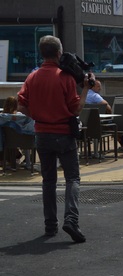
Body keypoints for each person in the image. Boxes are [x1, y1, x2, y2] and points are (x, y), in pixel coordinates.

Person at [17, 35, 90, 242]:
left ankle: (50, 225)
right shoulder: (65, 77)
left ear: (42, 53)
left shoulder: (32, 77)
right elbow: (76, 108)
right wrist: (85, 88)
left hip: (42, 133)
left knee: (48, 180)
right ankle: (71, 220)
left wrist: (39, 117)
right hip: (64, 133)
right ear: (59, 53)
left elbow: (21, 106)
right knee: (72, 178)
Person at [1, 96, 34, 170]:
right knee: (26, 140)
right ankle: (28, 163)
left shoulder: (2, 117)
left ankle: (12, 164)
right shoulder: (22, 117)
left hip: (7, 141)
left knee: (10, 142)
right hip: (24, 140)